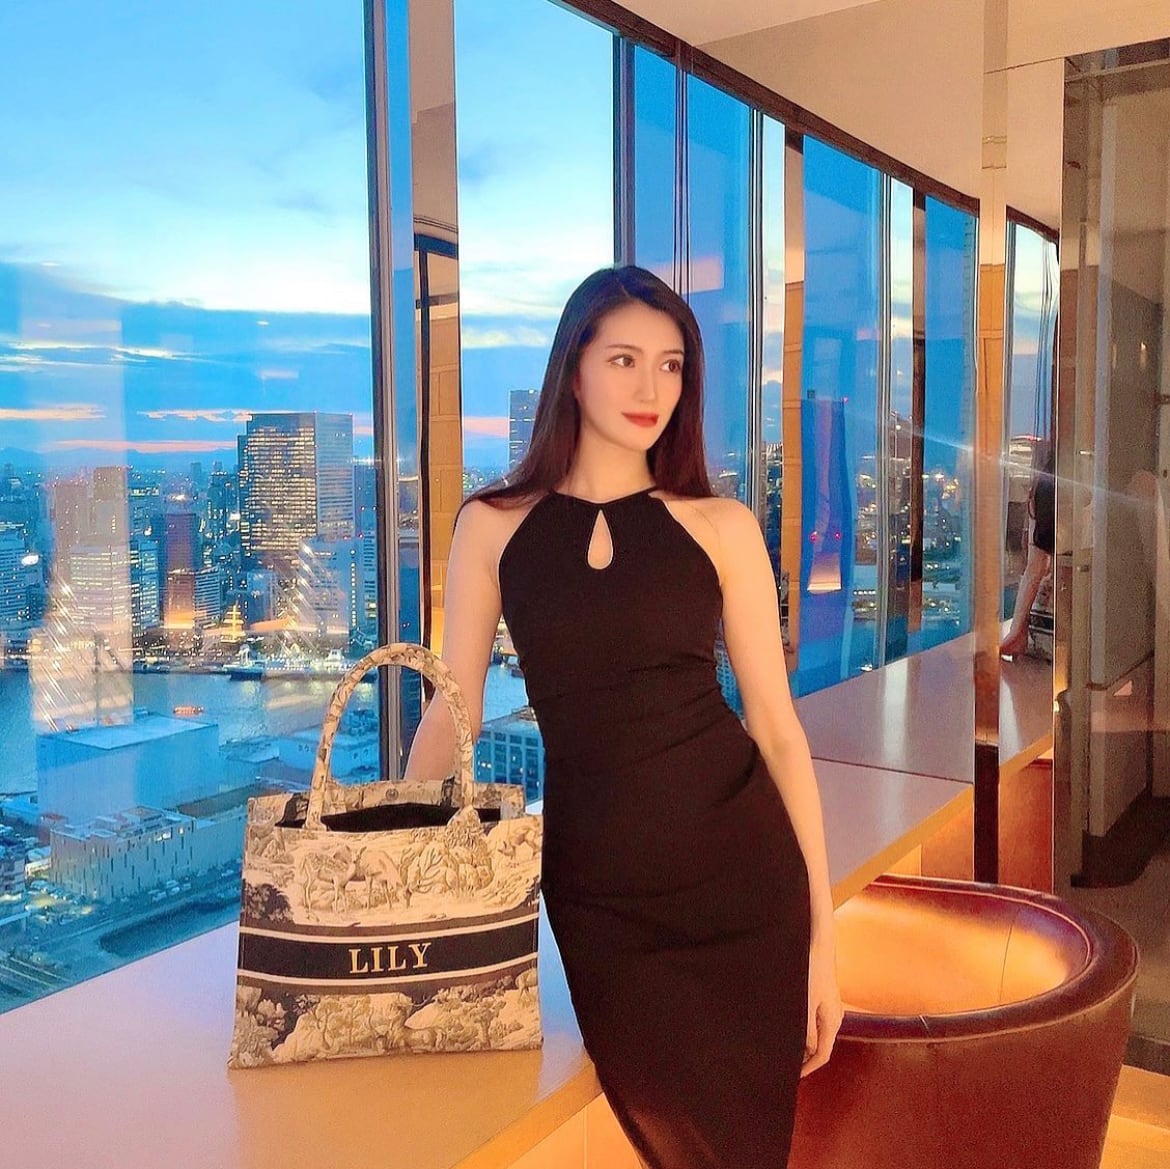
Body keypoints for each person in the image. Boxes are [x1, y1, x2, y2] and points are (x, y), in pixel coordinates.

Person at [404, 265, 841, 1168]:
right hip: (601, 899)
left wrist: (822, 938)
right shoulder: (492, 524)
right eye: (625, 360)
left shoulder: (721, 524)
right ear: (574, 369)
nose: (652, 388)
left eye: (671, 364)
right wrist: (398, 856)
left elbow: (777, 729)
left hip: (745, 883)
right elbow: (456, 708)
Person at [1000, 449, 1055, 657]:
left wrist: (1016, 630)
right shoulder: (1049, 488)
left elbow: (1034, 566)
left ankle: (1019, 633)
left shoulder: (1041, 491)